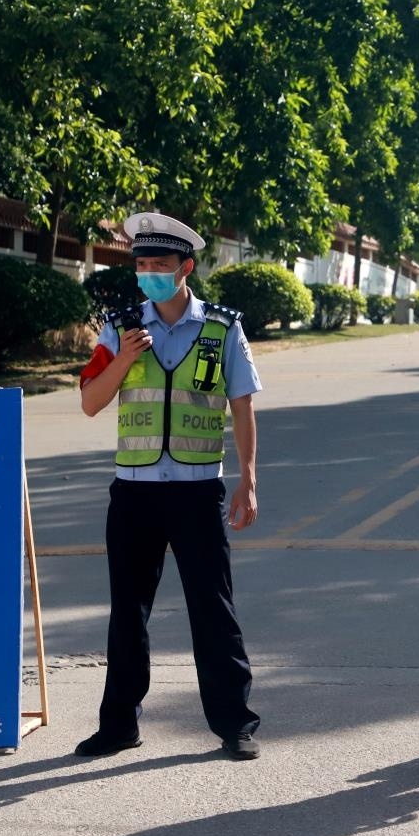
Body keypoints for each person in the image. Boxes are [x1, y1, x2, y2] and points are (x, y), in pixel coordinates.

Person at [74, 212, 263, 760]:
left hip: (197, 488)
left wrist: (248, 480)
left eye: (161, 264)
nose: (150, 273)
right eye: (142, 264)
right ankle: (119, 725)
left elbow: (243, 407)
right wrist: (124, 358)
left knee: (213, 607)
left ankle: (235, 723)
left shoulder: (222, 328)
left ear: (187, 267)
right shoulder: (120, 327)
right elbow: (90, 401)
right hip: (133, 491)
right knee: (127, 610)